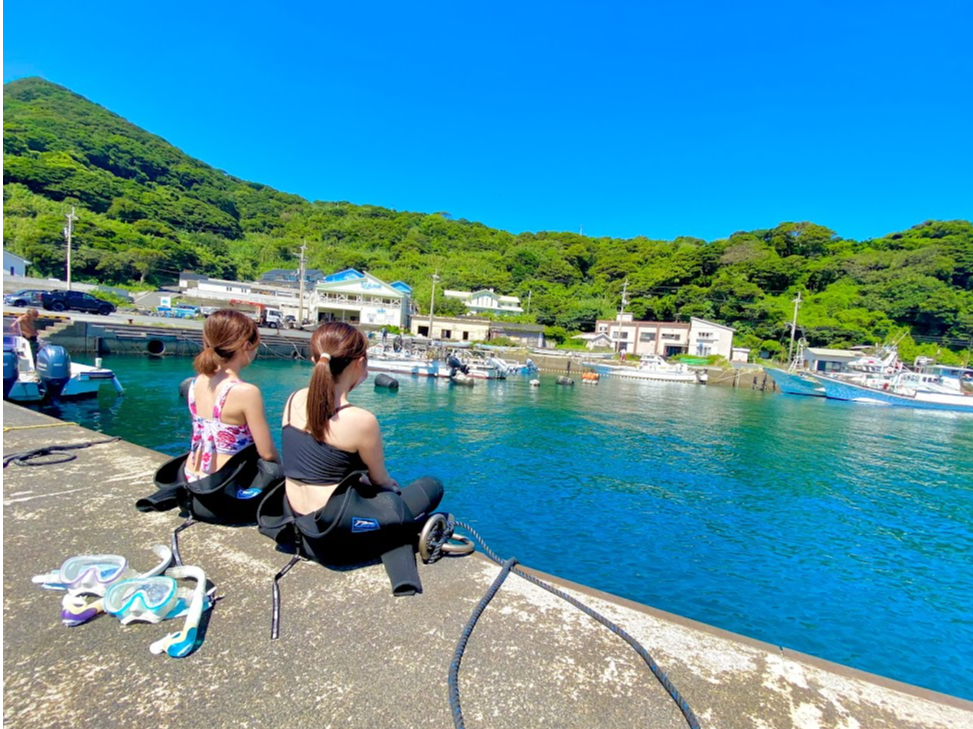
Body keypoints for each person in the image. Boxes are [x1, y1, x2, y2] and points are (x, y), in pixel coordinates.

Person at [281, 320, 442, 517]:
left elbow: (323, 467)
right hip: (332, 526)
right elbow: (381, 482)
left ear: (315, 361)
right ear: (360, 363)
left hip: (294, 514)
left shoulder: (293, 399)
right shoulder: (361, 420)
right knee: (431, 486)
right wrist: (389, 489)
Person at [185, 309, 278, 483]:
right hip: (225, 483)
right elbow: (267, 452)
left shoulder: (196, 381)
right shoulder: (245, 392)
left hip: (192, 475)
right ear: (245, 345)